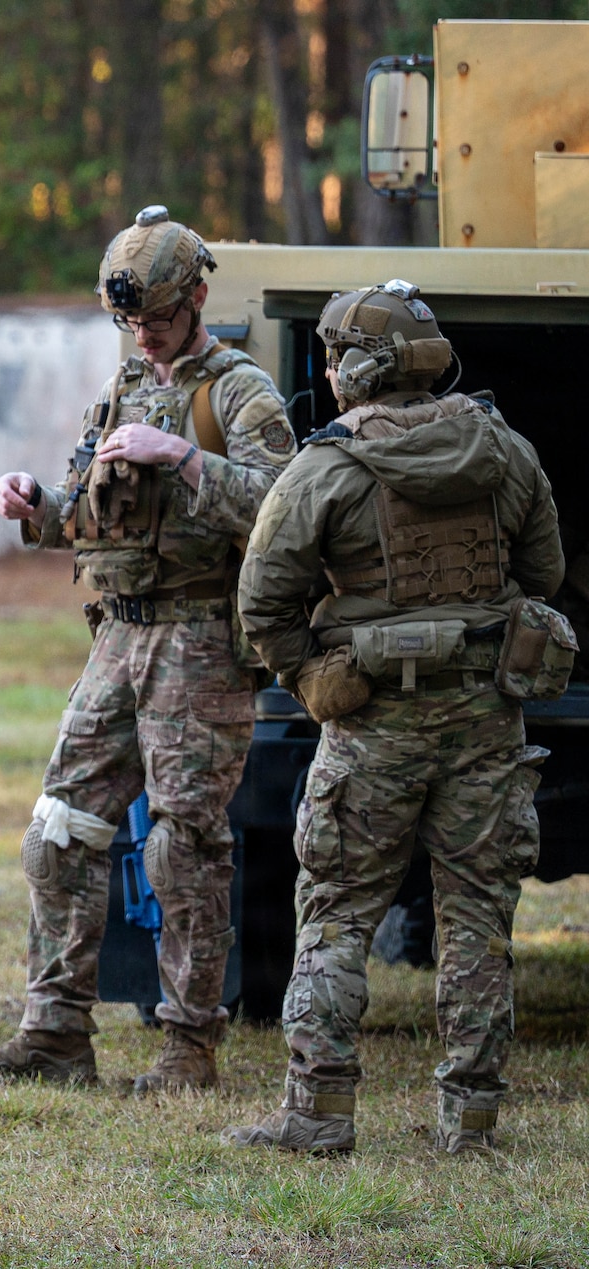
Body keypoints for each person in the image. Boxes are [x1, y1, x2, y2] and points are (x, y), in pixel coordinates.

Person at [0, 206, 296, 1092]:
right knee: (59, 831)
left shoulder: (240, 392)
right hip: (118, 639)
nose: (144, 335)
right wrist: (35, 504)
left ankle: (190, 1046)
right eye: (130, 322)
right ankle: (55, 1032)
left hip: (199, 643)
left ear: (197, 300)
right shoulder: (117, 392)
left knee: (183, 847)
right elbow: (81, 512)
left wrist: (183, 455)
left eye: (158, 319)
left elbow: (289, 511)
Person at [224, 281, 566, 1155]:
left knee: (337, 911)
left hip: (372, 723)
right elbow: (546, 571)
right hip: (489, 717)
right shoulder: (505, 447)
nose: (330, 371)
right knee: (479, 918)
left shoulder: (325, 467)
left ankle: (317, 1115)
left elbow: (262, 605)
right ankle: (473, 1124)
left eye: (337, 357)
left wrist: (314, 675)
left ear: (357, 371)